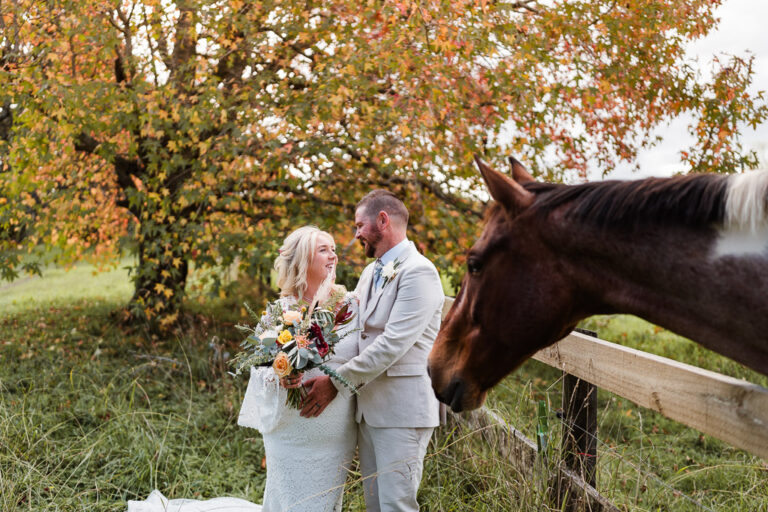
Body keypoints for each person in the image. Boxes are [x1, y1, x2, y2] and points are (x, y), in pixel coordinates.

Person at [127, 226, 359, 512]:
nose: (333, 256)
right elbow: (259, 369)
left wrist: (337, 383)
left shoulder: (350, 306)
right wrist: (281, 376)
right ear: (302, 260)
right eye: (323, 250)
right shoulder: (280, 311)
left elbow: (366, 357)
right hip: (291, 430)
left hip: (335, 430)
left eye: (334, 249)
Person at [301, 190, 444, 512]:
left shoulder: (419, 272)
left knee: (396, 504)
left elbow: (392, 344)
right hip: (368, 408)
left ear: (382, 220)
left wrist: (334, 381)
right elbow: (351, 324)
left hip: (402, 410)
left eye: (359, 225)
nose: (356, 235)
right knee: (376, 504)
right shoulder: (371, 271)